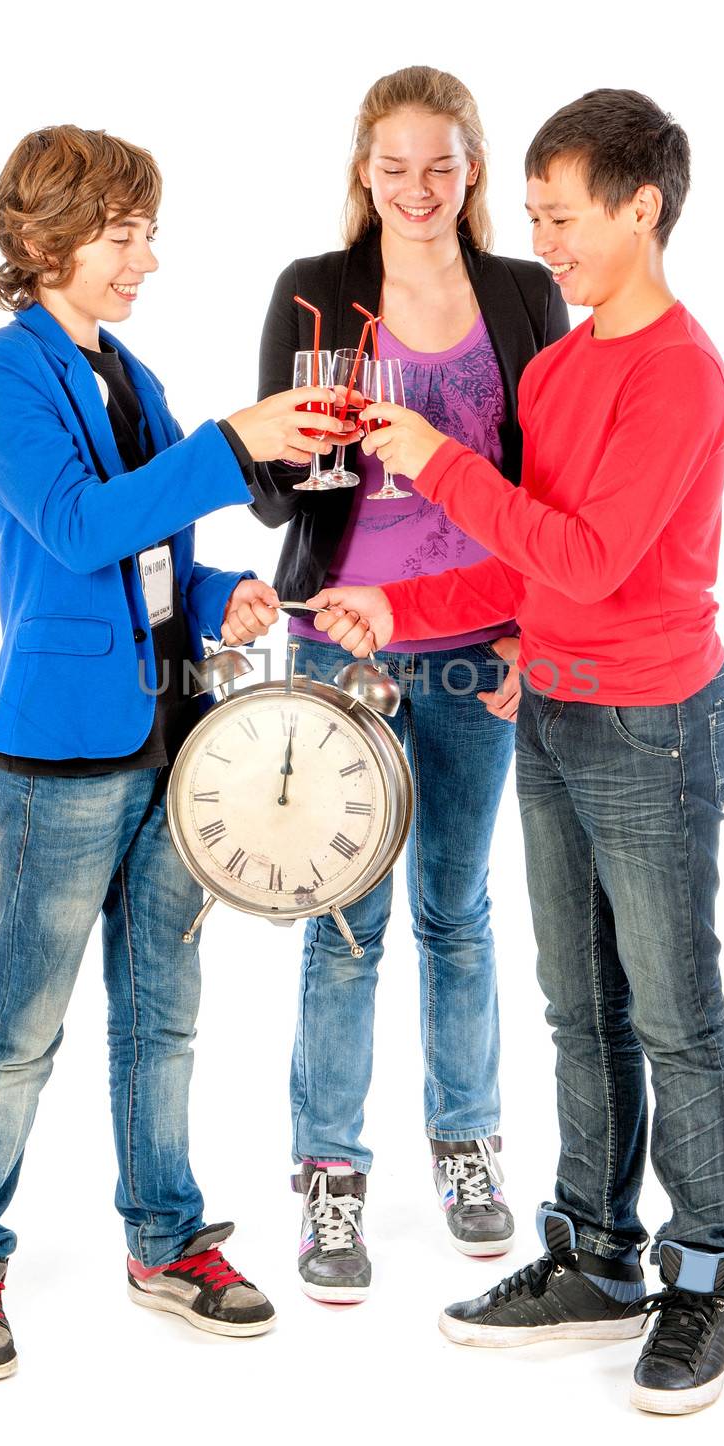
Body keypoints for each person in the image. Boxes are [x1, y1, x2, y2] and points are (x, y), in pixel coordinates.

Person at [308, 89, 724, 1414]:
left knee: (673, 1014)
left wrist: (439, 462)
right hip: (548, 710)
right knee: (578, 1007)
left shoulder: (680, 373)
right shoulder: (555, 369)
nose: (543, 241)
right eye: (541, 216)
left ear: (640, 208)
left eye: (563, 218)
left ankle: (705, 1268)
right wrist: (403, 607)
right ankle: (596, 1255)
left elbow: (592, 558)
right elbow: (526, 572)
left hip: (652, 725)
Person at [0, 125, 355, 1381]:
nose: (145, 256)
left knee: (163, 1017)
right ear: (44, 238)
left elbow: (148, 555)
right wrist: (228, 441)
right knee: (22, 1028)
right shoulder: (2, 370)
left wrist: (223, 594)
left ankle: (164, 1239)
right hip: (59, 757)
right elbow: (72, 526)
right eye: (122, 233)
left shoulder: (129, 370)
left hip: (173, 741)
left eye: (147, 231)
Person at [250, 66, 567, 1301]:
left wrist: (534, 629)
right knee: (346, 919)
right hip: (342, 636)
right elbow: (276, 488)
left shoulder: (522, 293)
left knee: (456, 906)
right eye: (394, 166)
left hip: (483, 638)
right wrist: (311, 449)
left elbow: (551, 488)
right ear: (362, 171)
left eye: (441, 164)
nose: (418, 188)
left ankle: (467, 1147)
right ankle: (329, 1177)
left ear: (472, 169)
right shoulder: (315, 293)